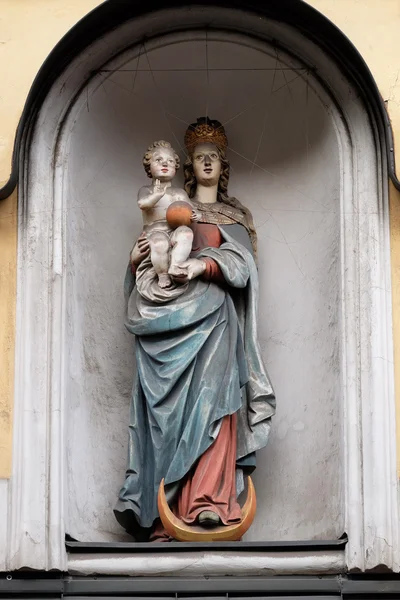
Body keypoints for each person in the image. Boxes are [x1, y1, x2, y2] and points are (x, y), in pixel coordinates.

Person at [115, 118, 276, 540]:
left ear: (224, 167)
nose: (206, 164)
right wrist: (135, 259)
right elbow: (150, 264)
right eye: (199, 158)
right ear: (188, 166)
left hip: (215, 320)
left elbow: (242, 270)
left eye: (214, 158)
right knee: (164, 413)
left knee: (215, 405)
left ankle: (209, 502)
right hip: (167, 323)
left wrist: (204, 265)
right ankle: (161, 508)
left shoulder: (235, 217)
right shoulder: (169, 207)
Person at [138, 140, 199, 289]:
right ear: (149, 166)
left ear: (175, 168)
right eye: (159, 160)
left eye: (170, 161)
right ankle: (163, 274)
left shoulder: (179, 192)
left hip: (175, 229)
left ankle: (176, 265)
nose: (165, 164)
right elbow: (143, 204)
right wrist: (156, 195)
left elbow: (190, 209)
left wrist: (196, 215)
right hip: (155, 231)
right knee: (159, 243)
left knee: (186, 234)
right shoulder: (147, 190)